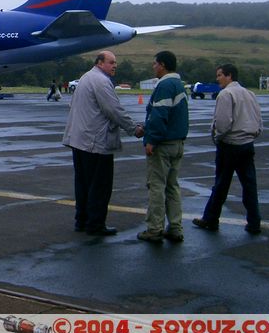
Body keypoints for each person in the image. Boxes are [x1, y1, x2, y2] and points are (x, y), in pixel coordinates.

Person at [62, 51, 143, 236]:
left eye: (115, 62)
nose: (115, 65)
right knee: (99, 185)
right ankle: (96, 223)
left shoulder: (85, 78)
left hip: (79, 140)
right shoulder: (101, 81)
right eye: (111, 62)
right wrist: (134, 128)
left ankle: (81, 220)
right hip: (95, 142)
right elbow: (114, 110)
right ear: (100, 63)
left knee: (83, 184)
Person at [193, 64, 263, 235]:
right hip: (247, 144)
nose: (217, 79)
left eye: (219, 75)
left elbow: (223, 123)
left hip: (230, 145)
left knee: (221, 184)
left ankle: (211, 218)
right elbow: (258, 120)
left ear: (229, 76)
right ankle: (254, 222)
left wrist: (217, 137)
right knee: (249, 186)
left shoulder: (225, 94)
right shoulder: (250, 94)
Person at [138, 51, 189, 243]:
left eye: (155, 64)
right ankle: (175, 227)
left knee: (156, 186)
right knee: (173, 186)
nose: (153, 67)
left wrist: (151, 139)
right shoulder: (179, 85)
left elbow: (159, 115)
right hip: (178, 142)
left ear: (162, 65)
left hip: (163, 144)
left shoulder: (165, 85)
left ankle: (154, 228)